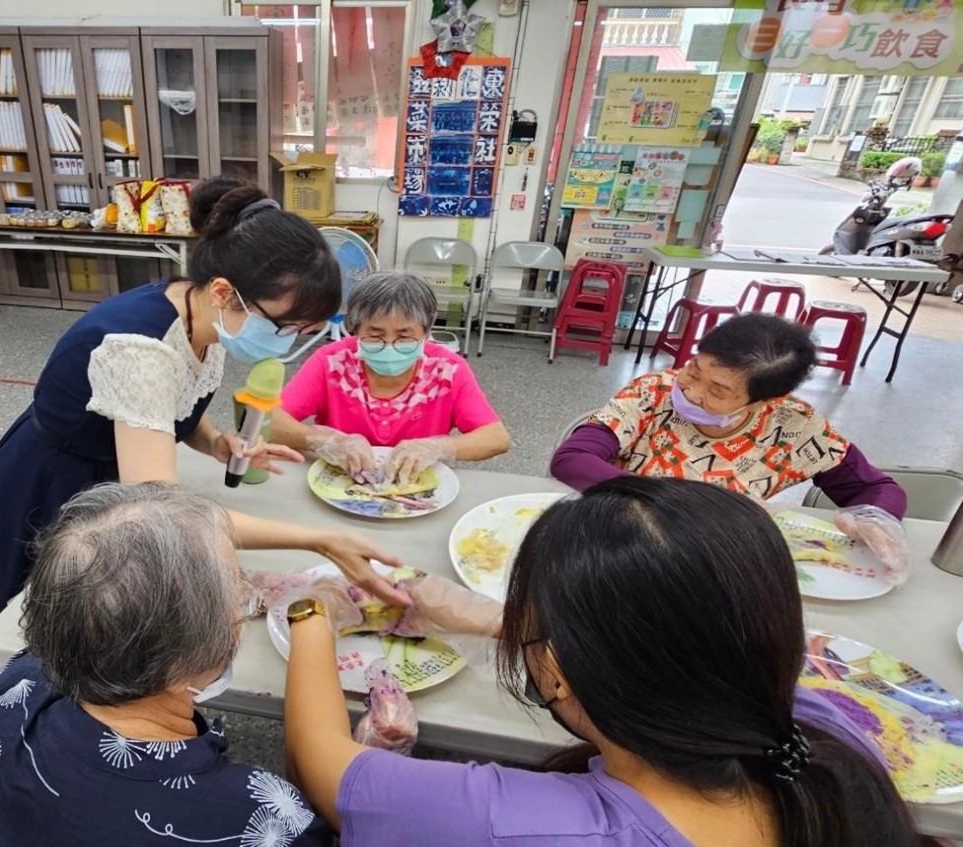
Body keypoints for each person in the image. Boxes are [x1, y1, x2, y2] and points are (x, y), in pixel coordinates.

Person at [279, 476, 921, 846]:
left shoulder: (509, 822)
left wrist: (312, 615)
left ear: (556, 670)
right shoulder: (820, 731)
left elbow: (325, 764)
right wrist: (486, 618)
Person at [0, 177, 407, 609]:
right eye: (285, 326)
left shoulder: (201, 312)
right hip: (58, 480)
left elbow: (175, 400)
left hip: (114, 464)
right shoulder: (141, 349)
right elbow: (161, 508)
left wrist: (212, 440)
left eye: (305, 329)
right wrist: (317, 539)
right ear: (225, 292)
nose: (290, 339)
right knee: (69, 620)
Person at [0, 482, 332, 846]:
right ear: (181, 664)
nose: (244, 604)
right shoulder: (267, 819)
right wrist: (314, 619)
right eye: (237, 597)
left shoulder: (15, 690)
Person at [550, 313, 908, 575]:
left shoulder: (794, 425)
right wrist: (674, 497)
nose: (690, 390)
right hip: (630, 547)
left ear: (763, 402)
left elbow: (875, 488)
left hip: (719, 564)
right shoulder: (652, 393)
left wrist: (876, 519)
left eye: (718, 391)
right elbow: (572, 458)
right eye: (693, 370)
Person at [272, 270, 510, 486]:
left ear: (425, 332)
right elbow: (269, 421)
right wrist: (326, 441)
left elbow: (496, 438)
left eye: (404, 336)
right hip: (339, 484)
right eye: (375, 336)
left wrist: (438, 447)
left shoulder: (447, 369)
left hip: (418, 487)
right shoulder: (332, 362)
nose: (389, 346)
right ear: (356, 330)